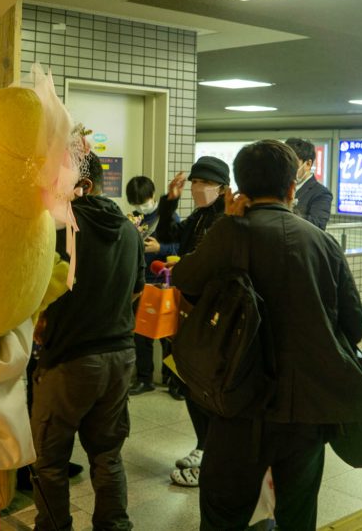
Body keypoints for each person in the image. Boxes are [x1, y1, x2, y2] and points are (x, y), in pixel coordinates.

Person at [171, 140, 362, 530]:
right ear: (292, 188)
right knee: (298, 515)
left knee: (223, 514)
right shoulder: (323, 243)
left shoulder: (229, 233)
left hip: (237, 402)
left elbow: (185, 280)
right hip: (305, 410)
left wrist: (227, 224)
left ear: (239, 188)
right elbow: (354, 325)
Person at [31, 152, 145, 531]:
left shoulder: (59, 230)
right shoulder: (129, 230)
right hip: (120, 356)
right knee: (108, 454)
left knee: (50, 459)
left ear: (84, 184)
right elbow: (136, 290)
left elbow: (38, 293)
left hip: (69, 360)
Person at [151, 155, 229, 486]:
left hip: (210, 318)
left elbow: (211, 266)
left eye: (205, 183)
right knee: (190, 384)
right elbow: (170, 233)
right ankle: (203, 445)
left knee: (205, 388)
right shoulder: (200, 216)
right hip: (188, 312)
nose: (198, 188)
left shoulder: (226, 222)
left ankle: (213, 456)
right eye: (195, 182)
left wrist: (182, 265)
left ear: (223, 188)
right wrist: (170, 201)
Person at [125, 175, 179, 396]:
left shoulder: (169, 217)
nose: (140, 207)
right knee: (142, 334)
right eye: (136, 203)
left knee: (168, 336)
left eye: (143, 201)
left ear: (153, 196)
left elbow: (179, 247)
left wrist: (160, 249)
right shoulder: (134, 218)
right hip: (141, 283)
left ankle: (173, 379)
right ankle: (144, 378)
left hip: (164, 283)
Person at [284, 137, 333, 230]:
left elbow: (318, 225)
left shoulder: (321, 193)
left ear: (308, 164)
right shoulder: (279, 186)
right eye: (285, 163)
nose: (287, 168)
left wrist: (286, 213)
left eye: (292, 163)